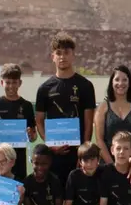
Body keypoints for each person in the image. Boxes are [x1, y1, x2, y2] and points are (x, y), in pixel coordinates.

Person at [35, 33, 97, 185]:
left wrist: (84, 153)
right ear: (53, 56)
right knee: (53, 200)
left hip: (77, 155)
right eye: (59, 53)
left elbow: (89, 122)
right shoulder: (44, 88)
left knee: (75, 202)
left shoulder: (85, 86)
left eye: (66, 52)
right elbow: (39, 121)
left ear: (73, 55)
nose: (62, 57)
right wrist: (51, 144)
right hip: (53, 156)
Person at [0, 63, 37, 179]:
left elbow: (33, 136)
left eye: (14, 82)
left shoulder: (26, 106)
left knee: (17, 194)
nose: (11, 86)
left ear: (20, 83)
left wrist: (31, 134)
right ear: (1, 83)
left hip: (18, 160)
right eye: (8, 82)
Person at [93, 65, 131, 164]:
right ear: (111, 82)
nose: (120, 83)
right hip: (108, 164)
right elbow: (99, 140)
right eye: (117, 80)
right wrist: (112, 165)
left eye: (124, 80)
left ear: (129, 82)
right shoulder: (103, 107)